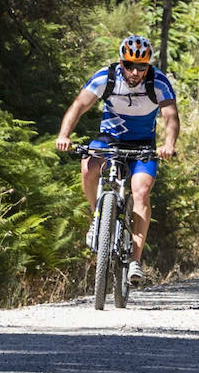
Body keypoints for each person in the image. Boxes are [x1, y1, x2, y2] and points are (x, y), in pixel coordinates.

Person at [55, 34, 179, 285]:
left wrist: (169, 144)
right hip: (110, 139)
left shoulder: (158, 82)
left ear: (148, 66)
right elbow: (78, 106)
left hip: (143, 144)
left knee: (141, 192)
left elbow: (171, 116)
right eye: (130, 65)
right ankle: (97, 219)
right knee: (89, 166)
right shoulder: (106, 78)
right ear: (121, 63)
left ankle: (135, 260)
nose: (135, 72)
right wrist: (64, 135)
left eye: (141, 66)